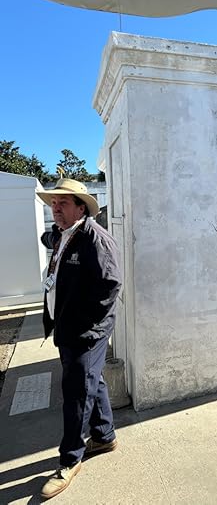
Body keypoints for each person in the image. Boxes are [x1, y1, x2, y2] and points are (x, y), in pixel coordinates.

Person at [36, 177, 122, 500]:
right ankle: (104, 435)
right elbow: (50, 240)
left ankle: (70, 459)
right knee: (91, 381)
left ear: (80, 207)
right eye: (53, 204)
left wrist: (86, 326)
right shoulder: (62, 235)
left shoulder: (95, 239)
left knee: (75, 393)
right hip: (67, 329)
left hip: (85, 333)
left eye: (63, 204)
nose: (55, 209)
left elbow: (111, 284)